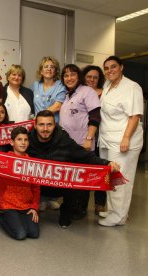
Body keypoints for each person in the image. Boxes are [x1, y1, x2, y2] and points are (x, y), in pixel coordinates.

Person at [27, 110, 120, 228]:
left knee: (76, 174)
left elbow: (84, 155)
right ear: (35, 125)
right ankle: (29, 207)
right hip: (36, 186)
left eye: (49, 125)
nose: (45, 129)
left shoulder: (64, 139)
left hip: (60, 186)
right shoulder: (27, 140)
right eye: (41, 124)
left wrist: (107, 163)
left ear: (54, 125)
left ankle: (66, 211)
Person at [98, 56, 144, 227]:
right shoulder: (107, 85)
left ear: (121, 67)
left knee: (120, 178)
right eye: (107, 68)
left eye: (113, 67)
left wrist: (126, 138)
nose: (110, 70)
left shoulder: (132, 87)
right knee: (109, 176)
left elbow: (135, 115)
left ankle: (119, 216)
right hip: (108, 137)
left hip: (123, 139)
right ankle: (112, 210)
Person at [59, 64, 101, 220]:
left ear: (79, 76)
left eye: (72, 75)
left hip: (83, 143)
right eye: (66, 75)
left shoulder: (87, 92)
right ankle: (71, 207)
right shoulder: (67, 95)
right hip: (68, 145)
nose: (69, 78)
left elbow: (95, 117)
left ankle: (80, 209)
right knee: (71, 176)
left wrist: (89, 139)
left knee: (82, 177)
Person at [31, 56, 66, 211]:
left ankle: (51, 198)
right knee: (38, 165)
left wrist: (41, 117)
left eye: (52, 67)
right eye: (46, 66)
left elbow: (57, 106)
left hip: (53, 130)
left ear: (56, 70)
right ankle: (39, 198)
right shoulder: (35, 86)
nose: (49, 69)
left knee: (52, 165)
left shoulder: (60, 86)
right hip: (37, 131)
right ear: (41, 70)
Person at [0, 127, 40, 240]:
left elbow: (36, 188)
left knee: (34, 234)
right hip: (8, 205)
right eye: (19, 139)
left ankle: (19, 220)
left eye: (25, 139)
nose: (23, 143)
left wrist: (34, 207)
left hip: (26, 206)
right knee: (21, 234)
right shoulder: (3, 160)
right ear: (12, 142)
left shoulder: (32, 163)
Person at [83, 64, 107, 215]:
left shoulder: (104, 93)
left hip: (100, 138)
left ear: (100, 79)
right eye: (89, 77)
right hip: (83, 138)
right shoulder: (79, 92)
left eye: (95, 77)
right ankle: (82, 205)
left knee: (101, 170)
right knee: (85, 171)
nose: (92, 79)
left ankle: (99, 203)